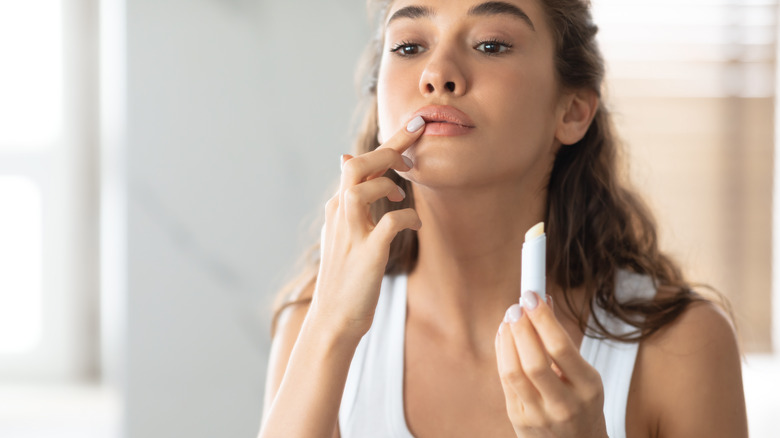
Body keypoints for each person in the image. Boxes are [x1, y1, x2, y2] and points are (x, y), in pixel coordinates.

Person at [259, 0, 749, 437]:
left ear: (573, 112)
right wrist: (330, 328)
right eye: (409, 46)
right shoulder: (315, 322)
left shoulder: (681, 346)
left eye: (491, 44)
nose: (438, 72)